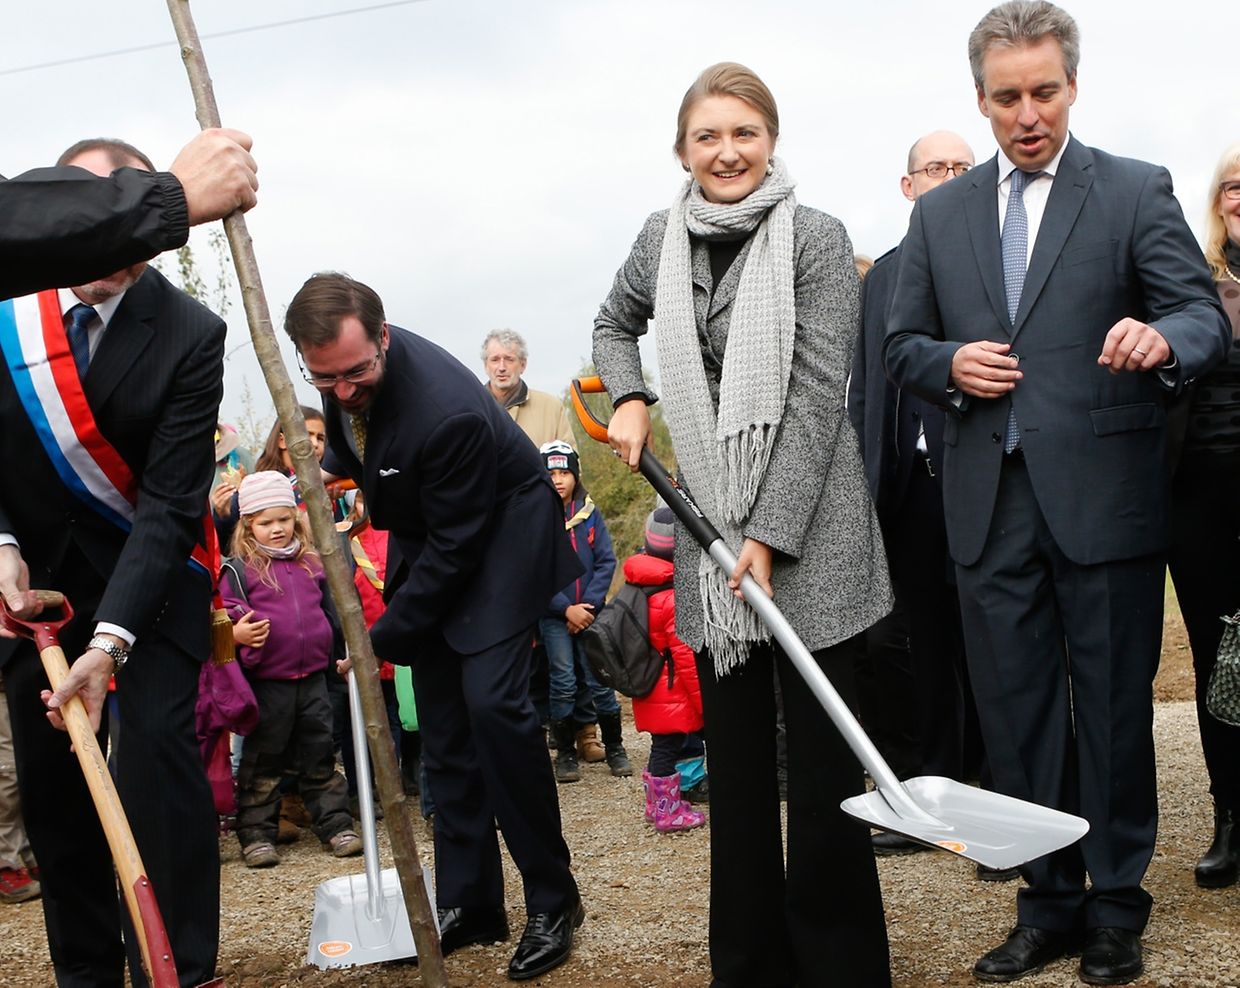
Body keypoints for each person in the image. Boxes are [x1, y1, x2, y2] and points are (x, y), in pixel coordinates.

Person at [882, 5, 1232, 983]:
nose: (1026, 113)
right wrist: (951, 363)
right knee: (1017, 713)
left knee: (1117, 711)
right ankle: (1046, 902)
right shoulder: (937, 215)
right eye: (1006, 97)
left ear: (1071, 85)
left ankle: (1116, 905)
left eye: (1043, 91)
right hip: (986, 511)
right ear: (980, 99)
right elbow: (900, 345)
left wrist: (1163, 340)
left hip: (1107, 502)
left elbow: (1200, 314)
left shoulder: (1130, 190)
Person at [593, 62, 892, 987]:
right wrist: (634, 394)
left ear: (772, 139)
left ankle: (839, 964)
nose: (728, 151)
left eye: (745, 132)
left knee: (824, 775)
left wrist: (766, 536)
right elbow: (612, 324)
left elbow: (811, 399)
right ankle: (752, 964)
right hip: (709, 541)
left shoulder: (815, 239)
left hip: (813, 539)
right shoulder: (660, 237)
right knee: (740, 780)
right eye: (707, 136)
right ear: (682, 149)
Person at [284, 272, 584, 982]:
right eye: (326, 378)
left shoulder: (444, 411)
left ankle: (553, 900)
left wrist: (377, 643)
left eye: (357, 373)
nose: (344, 390)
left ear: (383, 337)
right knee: (444, 731)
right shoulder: (345, 368)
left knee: (495, 714)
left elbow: (456, 554)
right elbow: (361, 444)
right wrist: (331, 475)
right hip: (437, 530)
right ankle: (471, 902)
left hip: (498, 542)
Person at [0, 138, 227, 986]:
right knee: (59, 802)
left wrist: (112, 640)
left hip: (148, 589)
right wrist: (3, 547)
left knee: (158, 774)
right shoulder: (8, 304)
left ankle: (178, 970)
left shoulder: (192, 332)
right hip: (32, 600)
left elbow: (171, 504)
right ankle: (86, 973)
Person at [847, 130, 977, 856]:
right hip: (907, 493)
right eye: (937, 168)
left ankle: (1002, 798)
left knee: (992, 651)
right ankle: (933, 798)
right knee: (919, 652)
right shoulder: (885, 277)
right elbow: (868, 389)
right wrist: (867, 492)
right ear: (909, 186)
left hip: (985, 483)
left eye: (963, 167)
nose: (951, 177)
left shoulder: (992, 264)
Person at [220, 472, 360, 868]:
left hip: (314, 677)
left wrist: (343, 650)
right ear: (248, 525)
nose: (277, 529)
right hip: (267, 682)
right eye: (265, 522)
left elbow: (331, 611)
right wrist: (238, 632)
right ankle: (256, 834)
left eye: (283, 519)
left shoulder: (312, 562)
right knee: (263, 762)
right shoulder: (239, 570)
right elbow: (225, 620)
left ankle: (335, 825)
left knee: (319, 755)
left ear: (295, 518)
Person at [1166, 143, 1240, 890]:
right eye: (1231, 186)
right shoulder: (1195, 287)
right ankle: (1230, 816)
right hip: (1199, 500)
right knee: (1218, 659)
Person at [480, 330, 600, 760]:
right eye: (494, 358)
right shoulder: (470, 405)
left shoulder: (549, 406)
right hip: (492, 538)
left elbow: (570, 460)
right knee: (519, 638)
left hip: (543, 527)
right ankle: (530, 732)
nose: (501, 365)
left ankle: (585, 730)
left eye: (509, 358)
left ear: (522, 364)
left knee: (567, 642)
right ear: (485, 364)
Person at [0, 128, 257, 301]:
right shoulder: (10, 314)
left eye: (123, 191)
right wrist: (169, 197)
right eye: (87, 202)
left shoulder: (193, 332)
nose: (113, 243)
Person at [536, 440, 630, 782]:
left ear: (576, 475)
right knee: (562, 682)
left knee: (600, 679)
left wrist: (588, 606)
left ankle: (616, 747)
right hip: (556, 617)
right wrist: (565, 609)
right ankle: (565, 753)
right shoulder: (534, 518)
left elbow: (606, 560)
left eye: (564, 472)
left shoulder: (589, 515)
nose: (558, 480)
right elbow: (534, 571)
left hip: (591, 615)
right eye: (551, 473)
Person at [627, 507, 705, 833]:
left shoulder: (638, 585)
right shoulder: (671, 596)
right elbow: (685, 657)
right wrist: (704, 704)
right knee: (666, 749)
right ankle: (666, 812)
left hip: (651, 684)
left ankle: (656, 804)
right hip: (670, 690)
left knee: (661, 747)